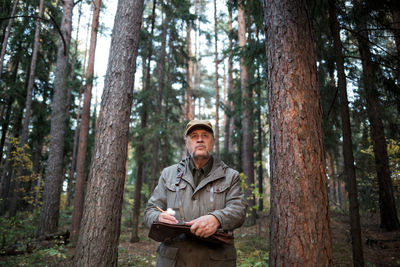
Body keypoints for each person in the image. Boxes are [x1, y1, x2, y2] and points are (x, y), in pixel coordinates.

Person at [144, 119, 247, 267]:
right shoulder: (168, 174)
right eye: (194, 136)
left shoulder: (230, 176)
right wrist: (158, 217)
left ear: (212, 142)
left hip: (216, 261)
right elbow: (150, 210)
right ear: (187, 143)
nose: (199, 139)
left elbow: (239, 210)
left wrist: (217, 219)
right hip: (174, 261)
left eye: (205, 135)